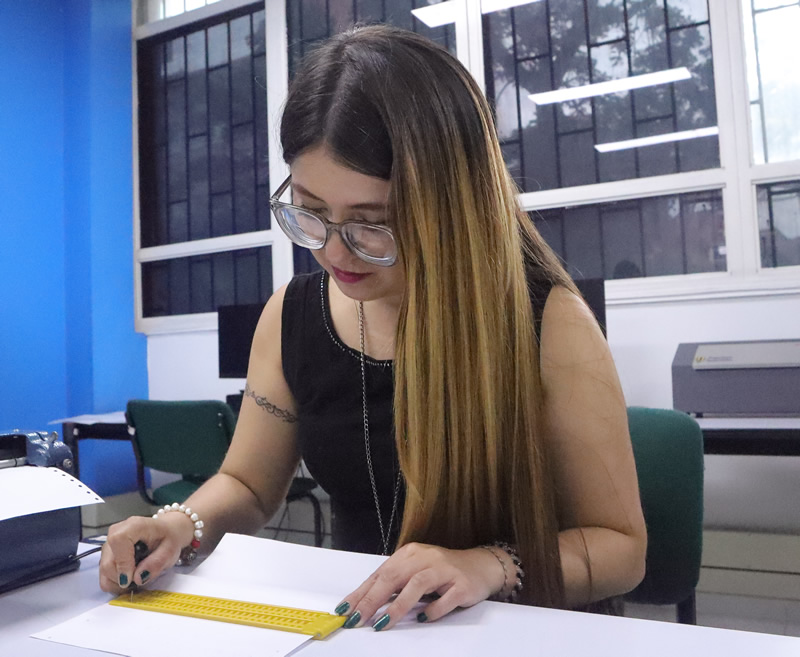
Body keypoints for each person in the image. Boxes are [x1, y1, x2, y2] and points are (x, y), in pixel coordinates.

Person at [100, 24, 646, 630]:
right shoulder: (292, 316)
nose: (336, 252)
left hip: (519, 632)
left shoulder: (549, 324)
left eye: (372, 224)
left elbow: (621, 549)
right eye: (310, 212)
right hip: (365, 628)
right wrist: (180, 524)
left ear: (449, 207)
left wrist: (485, 566)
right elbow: (248, 484)